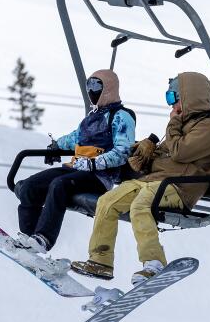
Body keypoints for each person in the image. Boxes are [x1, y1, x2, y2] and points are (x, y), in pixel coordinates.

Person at [71, 72, 210, 283]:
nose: (171, 105)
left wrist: (173, 124)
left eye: (173, 98)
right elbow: (167, 155)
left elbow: (181, 153)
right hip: (156, 181)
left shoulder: (209, 128)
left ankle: (154, 263)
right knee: (107, 202)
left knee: (140, 206)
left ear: (189, 97)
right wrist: (146, 152)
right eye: (169, 99)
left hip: (179, 188)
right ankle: (100, 261)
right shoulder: (185, 124)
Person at [13, 69, 135, 255]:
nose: (91, 90)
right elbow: (75, 137)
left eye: (96, 85)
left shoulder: (121, 116)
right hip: (76, 169)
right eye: (89, 85)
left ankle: (43, 239)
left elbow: (122, 152)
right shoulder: (92, 116)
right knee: (30, 186)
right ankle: (29, 236)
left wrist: (93, 163)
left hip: (98, 177)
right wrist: (56, 146)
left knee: (59, 185)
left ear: (109, 88)